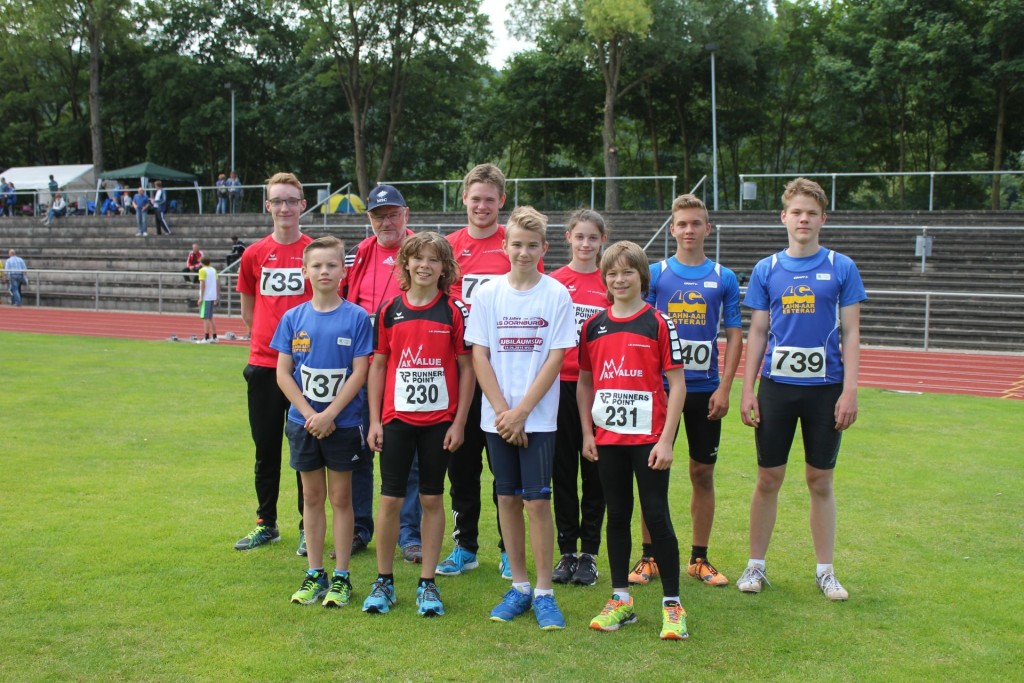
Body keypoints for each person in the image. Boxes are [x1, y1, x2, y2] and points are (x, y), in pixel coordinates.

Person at [737, 177, 866, 602]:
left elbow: (851, 333)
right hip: (776, 387)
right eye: (796, 212)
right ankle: (755, 565)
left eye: (811, 212)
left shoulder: (842, 267)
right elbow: (758, 331)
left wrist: (850, 391)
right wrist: (748, 388)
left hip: (825, 389)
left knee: (820, 480)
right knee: (768, 478)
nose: (803, 219)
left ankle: (825, 571)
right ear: (784, 217)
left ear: (822, 219)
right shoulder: (767, 269)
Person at [465, 205, 575, 630]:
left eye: (533, 245)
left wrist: (523, 411)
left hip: (538, 419)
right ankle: (520, 585)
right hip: (498, 419)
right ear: (504, 246)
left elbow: (556, 357)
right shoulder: (488, 294)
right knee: (506, 499)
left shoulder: (556, 294)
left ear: (544, 248)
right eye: (517, 244)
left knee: (537, 501)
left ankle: (545, 592)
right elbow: (479, 354)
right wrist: (502, 412)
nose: (524, 252)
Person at [627, 194, 742, 588]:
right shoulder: (656, 274)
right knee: (651, 473)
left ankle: (699, 558)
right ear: (672, 229)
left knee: (702, 474)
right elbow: (642, 328)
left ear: (707, 228)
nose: (689, 230)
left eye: (696, 223)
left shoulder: (723, 277)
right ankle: (648, 557)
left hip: (705, 391)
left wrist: (725, 388)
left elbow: (734, 333)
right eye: (682, 224)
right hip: (660, 392)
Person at [577, 240, 690, 641]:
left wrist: (666, 440)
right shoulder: (593, 326)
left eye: (627, 272)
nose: (619, 279)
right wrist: (588, 433)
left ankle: (672, 605)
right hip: (608, 440)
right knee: (617, 515)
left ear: (641, 277)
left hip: (649, 440)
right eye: (612, 273)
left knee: (656, 515)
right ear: (604, 279)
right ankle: (620, 601)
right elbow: (585, 382)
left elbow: (677, 386)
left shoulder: (658, 323)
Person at [362, 232, 474, 617]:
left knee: (431, 498)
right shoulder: (390, 311)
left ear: (445, 268)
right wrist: (376, 420)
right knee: (390, 498)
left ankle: (428, 583)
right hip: (396, 421)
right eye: (418, 258)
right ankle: (384, 580)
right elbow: (378, 365)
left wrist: (459, 422)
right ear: (405, 264)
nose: (425, 265)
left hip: (438, 423)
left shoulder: (453, 311)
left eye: (434, 259)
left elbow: (466, 369)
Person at [440, 163, 543, 579]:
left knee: (507, 470)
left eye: (490, 199)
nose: (482, 206)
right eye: (475, 198)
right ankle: (465, 546)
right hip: (461, 372)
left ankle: (508, 548)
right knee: (461, 464)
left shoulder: (515, 242)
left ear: (502, 201)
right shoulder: (447, 247)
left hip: (507, 376)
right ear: (463, 198)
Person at [271, 235, 373, 607]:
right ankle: (315, 573)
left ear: (343, 271)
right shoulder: (293, 318)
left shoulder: (357, 318)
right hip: (303, 423)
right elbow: (284, 373)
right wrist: (311, 414)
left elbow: (360, 372)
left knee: (341, 498)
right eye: (316, 265)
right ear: (304, 272)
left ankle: (342, 576)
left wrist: (330, 414)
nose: (324, 271)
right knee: (311, 498)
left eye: (331, 265)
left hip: (342, 425)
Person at [341, 184, 423, 563]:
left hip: (407, 365)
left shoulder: (421, 251)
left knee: (407, 455)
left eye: (392, 214)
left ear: (406, 214)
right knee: (358, 450)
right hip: (362, 366)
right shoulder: (360, 253)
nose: (386, 221)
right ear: (369, 219)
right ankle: (359, 527)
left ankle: (410, 533)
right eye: (378, 215)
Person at [233, 172, 314, 553]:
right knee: (265, 448)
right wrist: (269, 341)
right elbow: (249, 309)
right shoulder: (253, 254)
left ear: (302, 205)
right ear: (268, 206)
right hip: (265, 365)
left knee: (305, 449)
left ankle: (306, 525)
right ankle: (266, 522)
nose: (284, 207)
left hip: (307, 367)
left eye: (291, 200)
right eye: (277, 201)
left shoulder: (315, 253)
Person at [548, 209, 610, 586]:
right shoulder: (554, 283)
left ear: (602, 240)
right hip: (560, 388)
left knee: (596, 473)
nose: (585, 244)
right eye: (579, 236)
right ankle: (566, 551)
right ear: (568, 237)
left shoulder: (611, 281)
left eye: (593, 237)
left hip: (601, 389)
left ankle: (590, 553)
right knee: (562, 473)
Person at [196, 256, 219, 343]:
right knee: (211, 317)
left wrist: (201, 297)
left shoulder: (202, 271)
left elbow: (202, 284)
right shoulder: (213, 270)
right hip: (212, 295)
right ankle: (215, 337)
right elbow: (217, 283)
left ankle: (206, 337)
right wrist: (216, 295)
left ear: (202, 262)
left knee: (205, 318)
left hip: (206, 296)